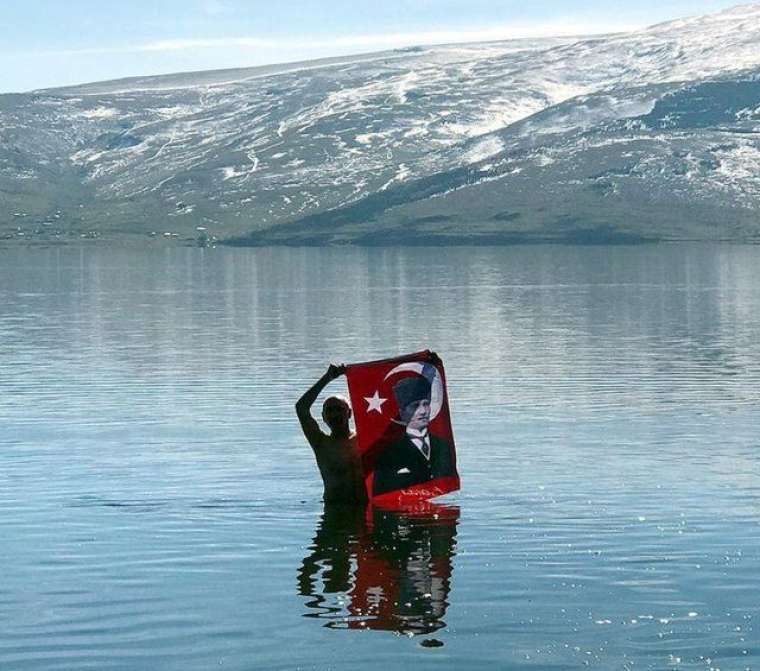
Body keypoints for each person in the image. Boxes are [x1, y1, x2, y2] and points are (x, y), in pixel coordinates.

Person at [372, 370, 456, 496]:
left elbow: (452, 484)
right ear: (402, 412)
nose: (423, 411)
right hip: (406, 512)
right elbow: (380, 494)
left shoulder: (444, 446)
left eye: (426, 404)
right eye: (415, 406)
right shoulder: (389, 453)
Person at [296, 364, 368, 504]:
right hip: (335, 511)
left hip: (366, 509)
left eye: (339, 409)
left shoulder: (364, 438)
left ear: (349, 413)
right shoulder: (321, 444)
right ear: (323, 417)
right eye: (329, 410)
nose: (334, 414)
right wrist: (327, 377)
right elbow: (301, 408)